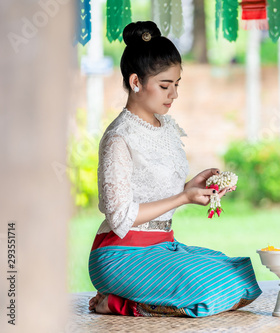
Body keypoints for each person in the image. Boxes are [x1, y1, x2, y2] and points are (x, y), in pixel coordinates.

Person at [87, 21, 262, 317]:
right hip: (121, 253)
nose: (174, 95)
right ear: (135, 82)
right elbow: (119, 217)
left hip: (163, 247)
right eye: (165, 86)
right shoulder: (118, 138)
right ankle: (117, 302)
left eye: (177, 84)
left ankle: (133, 296)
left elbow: (155, 193)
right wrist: (183, 199)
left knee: (239, 276)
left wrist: (190, 188)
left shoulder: (165, 126)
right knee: (210, 290)